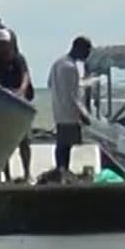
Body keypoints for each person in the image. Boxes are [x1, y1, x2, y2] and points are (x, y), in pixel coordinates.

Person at [0, 26, 35, 179]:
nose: (2, 48)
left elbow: (25, 77)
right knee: (2, 142)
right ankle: (6, 175)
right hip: (1, 103)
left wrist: (20, 92)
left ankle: (27, 172)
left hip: (19, 103)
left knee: (24, 140)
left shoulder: (17, 59)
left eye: (4, 45)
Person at [50, 35, 94, 177]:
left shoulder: (58, 63)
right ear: (78, 48)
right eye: (87, 50)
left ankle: (61, 171)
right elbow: (72, 96)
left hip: (58, 111)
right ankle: (63, 171)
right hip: (69, 114)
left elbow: (50, 84)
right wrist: (83, 115)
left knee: (62, 145)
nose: (88, 54)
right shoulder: (70, 67)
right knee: (65, 147)